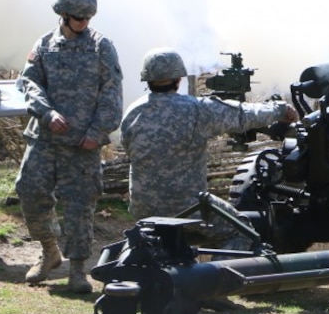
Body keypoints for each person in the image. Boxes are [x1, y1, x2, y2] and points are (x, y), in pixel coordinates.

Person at [119, 47, 296, 250]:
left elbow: (129, 147)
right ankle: (216, 279)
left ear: (147, 78)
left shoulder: (132, 113)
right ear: (178, 78)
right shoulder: (196, 109)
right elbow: (242, 115)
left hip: (143, 209)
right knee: (242, 230)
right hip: (190, 208)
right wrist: (280, 109)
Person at [15, 0, 123, 293]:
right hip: (45, 137)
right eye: (78, 18)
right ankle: (49, 251)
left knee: (79, 204)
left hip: (82, 144)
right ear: (63, 15)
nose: (84, 24)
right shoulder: (45, 44)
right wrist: (46, 113)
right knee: (30, 190)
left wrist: (97, 133)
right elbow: (30, 82)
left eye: (88, 18)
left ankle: (77, 269)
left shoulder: (102, 47)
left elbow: (111, 94)